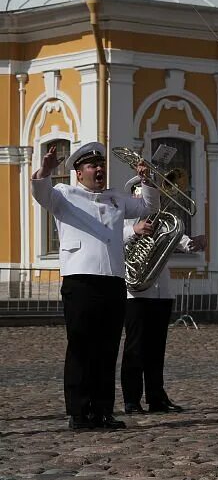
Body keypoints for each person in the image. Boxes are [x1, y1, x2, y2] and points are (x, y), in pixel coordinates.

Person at [31, 142, 159, 430]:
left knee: (107, 347)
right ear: (78, 173)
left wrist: (146, 180)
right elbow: (40, 192)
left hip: (112, 279)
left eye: (101, 165)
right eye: (92, 166)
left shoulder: (115, 197)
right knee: (81, 346)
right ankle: (79, 412)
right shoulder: (65, 194)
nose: (99, 169)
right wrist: (47, 170)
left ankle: (102, 410)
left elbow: (149, 206)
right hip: (81, 280)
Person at [121, 176, 206, 415]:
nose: (151, 197)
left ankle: (156, 396)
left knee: (156, 348)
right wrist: (134, 232)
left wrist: (196, 243)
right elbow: (113, 239)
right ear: (134, 194)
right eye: (144, 192)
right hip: (135, 293)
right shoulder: (124, 219)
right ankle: (131, 399)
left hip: (161, 292)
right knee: (135, 347)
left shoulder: (162, 222)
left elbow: (182, 242)